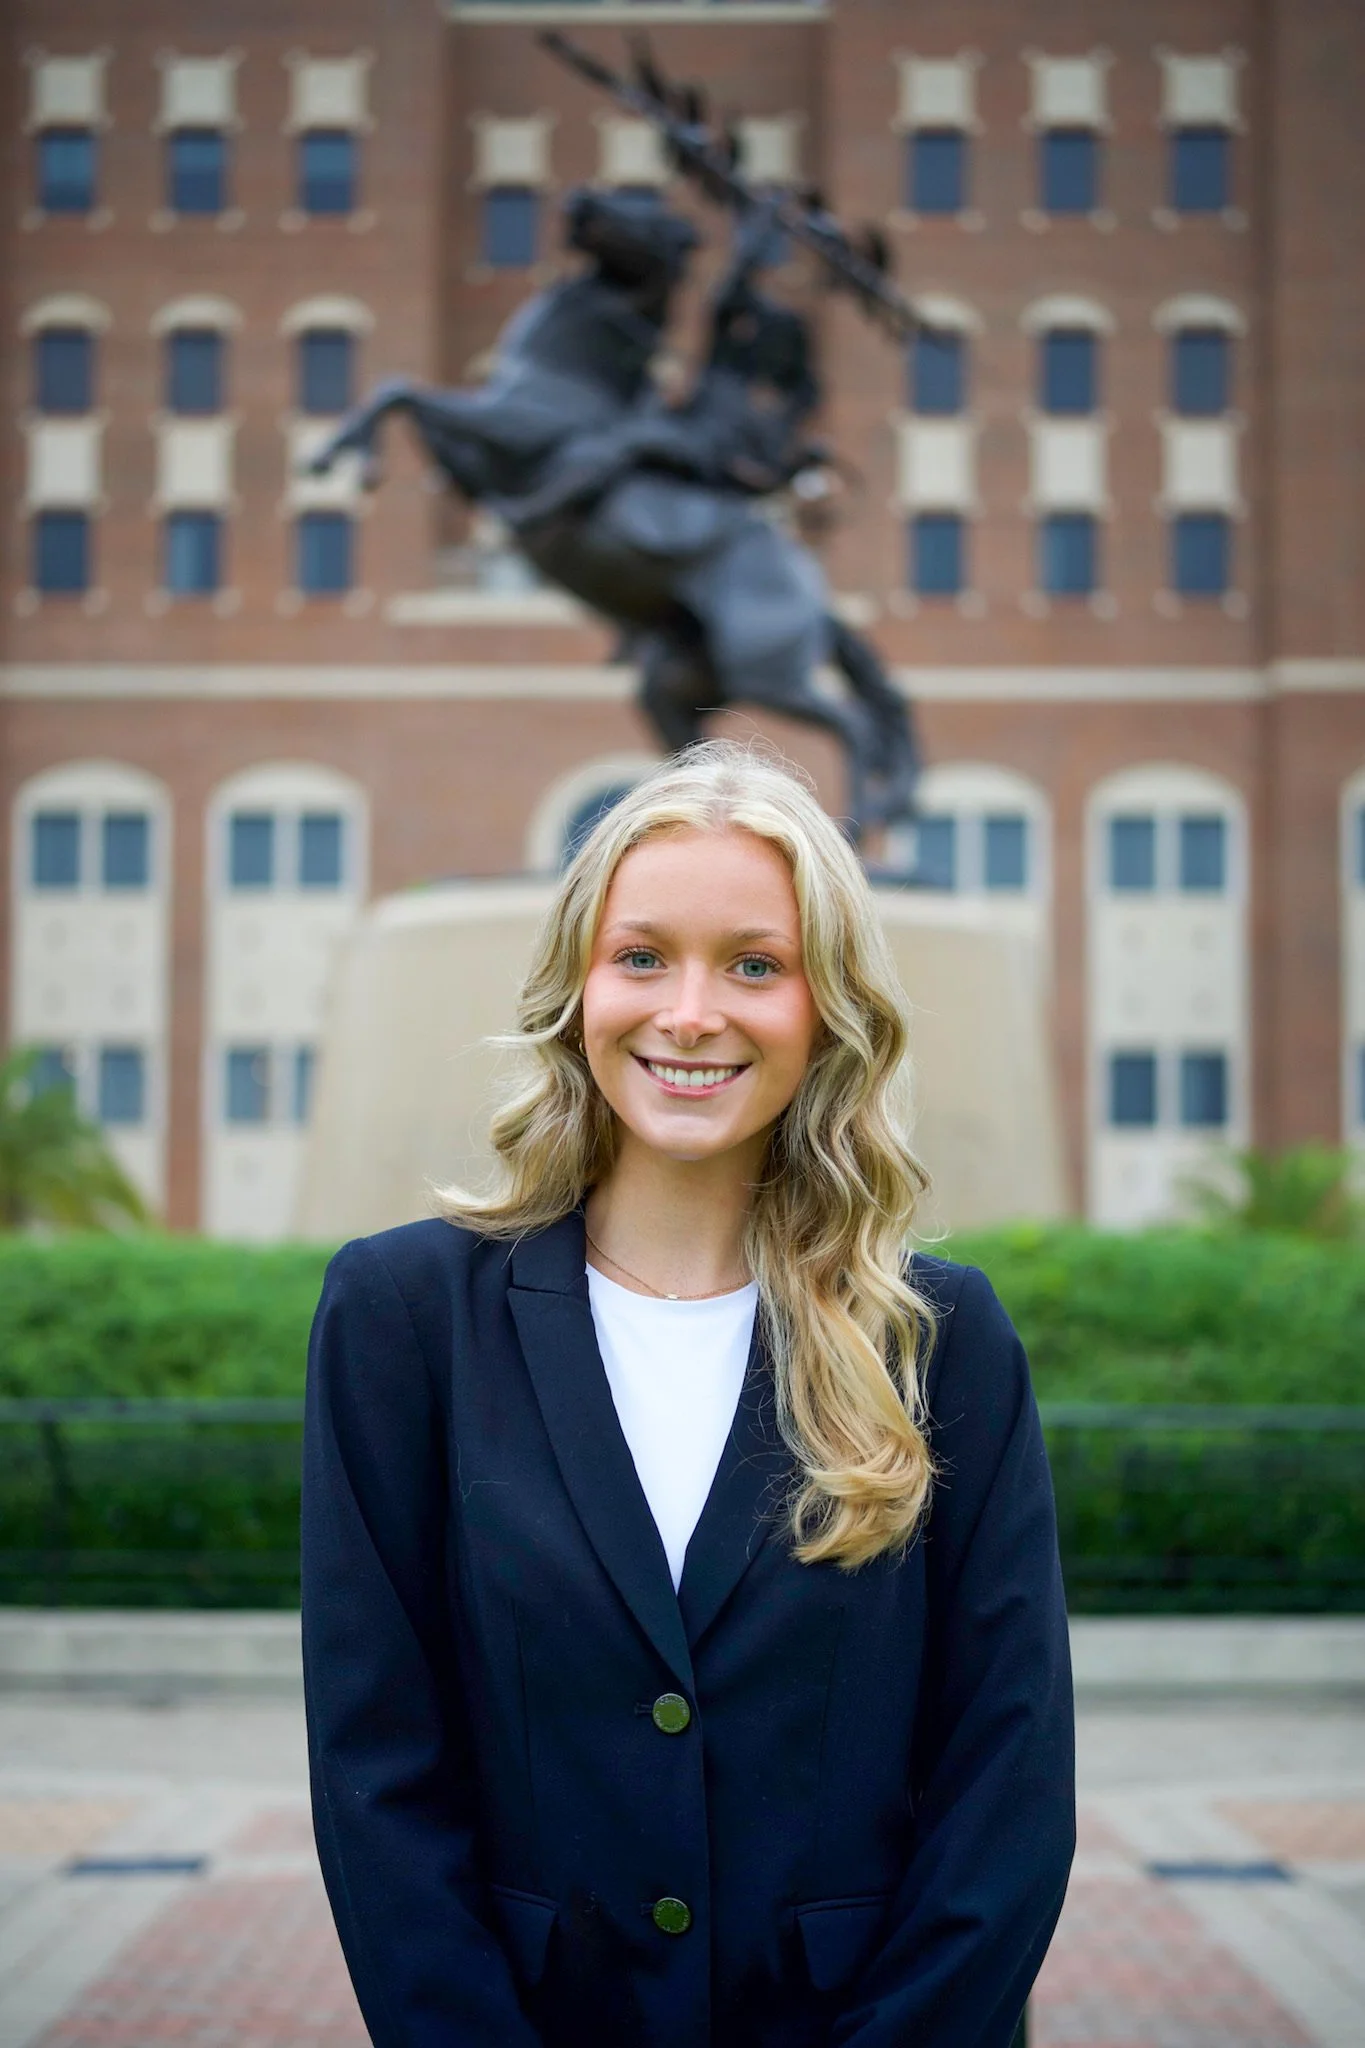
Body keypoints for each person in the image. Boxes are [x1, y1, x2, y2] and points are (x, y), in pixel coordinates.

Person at [301, 740, 1075, 2048]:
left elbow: (1006, 1786)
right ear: (577, 987)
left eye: (755, 965)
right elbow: (378, 1780)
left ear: (826, 1008)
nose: (690, 1011)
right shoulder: (400, 1321)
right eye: (643, 956)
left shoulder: (941, 1339)